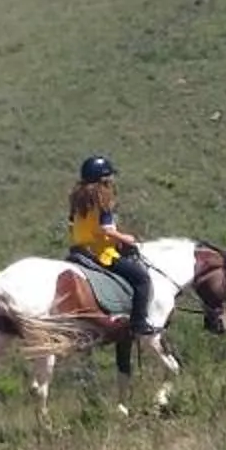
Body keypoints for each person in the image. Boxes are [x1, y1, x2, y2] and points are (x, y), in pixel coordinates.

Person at [67, 155, 156, 372]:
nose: (111, 180)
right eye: (109, 176)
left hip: (79, 251)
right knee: (142, 279)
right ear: (103, 178)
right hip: (101, 254)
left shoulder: (77, 198)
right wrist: (127, 239)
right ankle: (139, 323)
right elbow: (107, 230)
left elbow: (73, 226)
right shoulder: (102, 198)